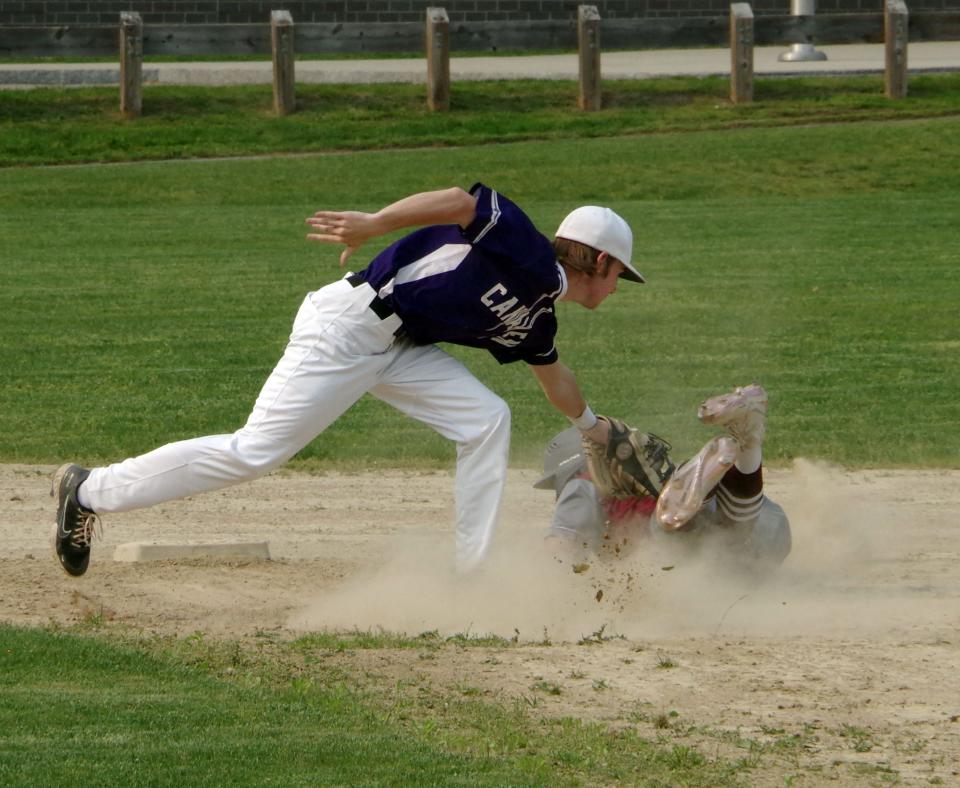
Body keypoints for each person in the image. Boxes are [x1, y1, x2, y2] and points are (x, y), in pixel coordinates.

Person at [52, 183, 646, 577]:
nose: (620, 287)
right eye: (621, 272)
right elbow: (460, 202)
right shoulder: (526, 250)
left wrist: (593, 429)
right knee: (255, 451)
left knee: (487, 418)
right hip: (346, 328)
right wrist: (374, 222)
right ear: (599, 259)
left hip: (397, 346)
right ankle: (87, 489)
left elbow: (553, 375)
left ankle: (472, 576)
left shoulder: (539, 310)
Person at [534, 384, 791, 573]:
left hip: (688, 550)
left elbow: (561, 547)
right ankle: (749, 448)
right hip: (769, 525)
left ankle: (682, 517)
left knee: (668, 547)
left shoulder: (581, 482)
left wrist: (544, 582)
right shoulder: (644, 481)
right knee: (728, 540)